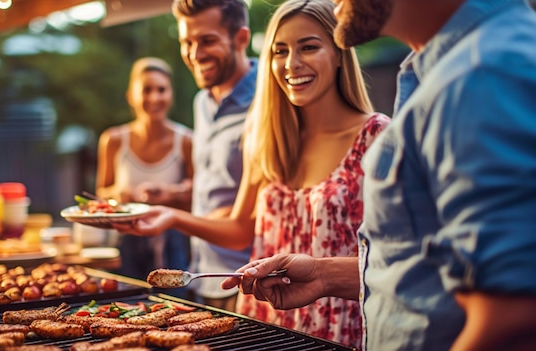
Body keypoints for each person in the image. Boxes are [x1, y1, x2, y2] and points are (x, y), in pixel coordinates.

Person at [222, 0, 536, 350]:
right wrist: (323, 275)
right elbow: (421, 272)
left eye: (308, 46)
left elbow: (513, 317)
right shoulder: (444, 71)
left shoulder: (485, 71)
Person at [116, 0, 389, 346]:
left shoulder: (378, 138)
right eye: (279, 50)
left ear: (339, 53)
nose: (291, 63)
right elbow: (239, 229)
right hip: (261, 328)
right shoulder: (266, 136)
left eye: (308, 47)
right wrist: (168, 215)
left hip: (337, 330)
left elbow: (401, 263)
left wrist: (323, 273)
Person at [156, 0, 259, 311]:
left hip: (246, 286)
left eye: (207, 41)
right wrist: (174, 196)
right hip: (199, 276)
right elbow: (218, 186)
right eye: (186, 42)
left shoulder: (269, 100)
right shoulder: (202, 101)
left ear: (241, 38)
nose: (194, 54)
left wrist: (172, 218)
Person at [96, 57, 193, 288]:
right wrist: (120, 195)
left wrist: (171, 194)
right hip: (125, 243)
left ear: (171, 94)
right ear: (131, 95)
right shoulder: (113, 140)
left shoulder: (187, 141)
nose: (154, 97)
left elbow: (198, 196)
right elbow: (101, 193)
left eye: (162, 89)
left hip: (173, 243)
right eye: (146, 90)